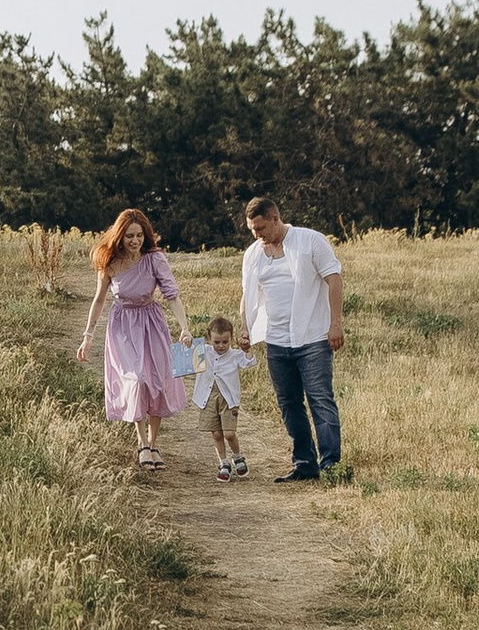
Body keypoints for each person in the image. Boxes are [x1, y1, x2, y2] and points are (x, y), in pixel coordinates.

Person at [239, 194, 344, 483]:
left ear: (275, 218)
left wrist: (335, 324)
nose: (256, 235)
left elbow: (333, 278)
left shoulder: (310, 241)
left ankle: (331, 466)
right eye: (252, 230)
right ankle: (305, 464)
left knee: (320, 399)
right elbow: (248, 295)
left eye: (260, 228)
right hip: (276, 340)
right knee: (289, 404)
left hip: (312, 337)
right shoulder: (253, 254)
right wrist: (245, 327)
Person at [75, 206, 189, 474]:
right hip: (123, 327)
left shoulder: (154, 259)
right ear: (119, 237)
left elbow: (171, 295)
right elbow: (99, 299)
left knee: (159, 381)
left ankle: (153, 443)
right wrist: (88, 336)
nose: (135, 241)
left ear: (145, 236)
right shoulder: (109, 263)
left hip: (152, 322)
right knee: (136, 379)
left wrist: (184, 327)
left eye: (139, 235)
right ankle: (141, 442)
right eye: (129, 236)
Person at [188, 313, 252, 477]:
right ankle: (223, 462)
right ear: (209, 338)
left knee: (229, 433)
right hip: (207, 398)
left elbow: (249, 363)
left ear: (231, 338)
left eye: (225, 342)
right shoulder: (203, 351)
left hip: (228, 400)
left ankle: (237, 457)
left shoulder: (235, 355)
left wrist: (247, 349)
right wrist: (188, 342)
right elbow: (187, 359)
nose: (221, 346)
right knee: (216, 433)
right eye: (217, 342)